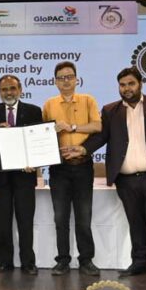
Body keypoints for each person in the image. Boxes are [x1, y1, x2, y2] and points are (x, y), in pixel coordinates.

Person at [72, 67, 146, 282]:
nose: (126, 88)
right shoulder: (110, 110)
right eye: (122, 85)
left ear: (140, 84)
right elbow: (101, 137)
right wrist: (83, 149)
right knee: (136, 223)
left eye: (131, 84)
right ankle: (140, 262)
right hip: (127, 180)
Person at [0, 75, 43, 275]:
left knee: (25, 221)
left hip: (25, 175)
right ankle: (4, 261)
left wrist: (35, 162)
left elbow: (39, 141)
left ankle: (28, 262)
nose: (9, 92)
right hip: (1, 177)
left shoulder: (33, 111)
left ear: (20, 90)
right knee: (3, 221)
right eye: (4, 89)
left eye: (12, 88)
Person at [44, 61, 102, 276]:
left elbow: (97, 126)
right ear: (55, 82)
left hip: (82, 166)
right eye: (61, 78)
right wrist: (51, 131)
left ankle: (86, 260)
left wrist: (72, 127)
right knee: (60, 218)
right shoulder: (49, 104)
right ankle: (63, 260)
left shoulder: (88, 100)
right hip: (59, 168)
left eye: (69, 77)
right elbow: (42, 134)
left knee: (83, 217)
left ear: (77, 79)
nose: (66, 81)